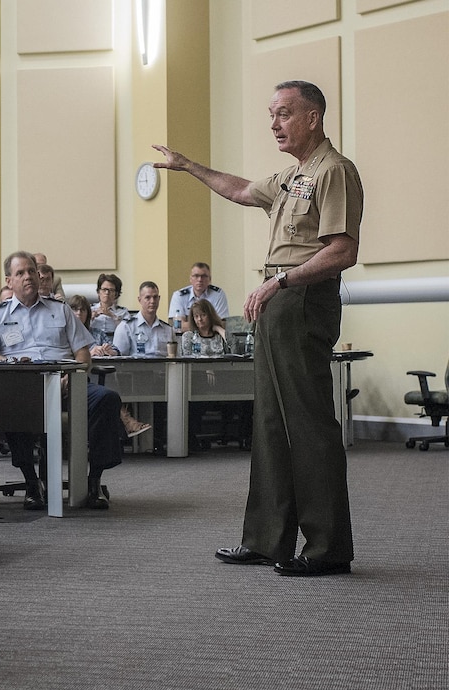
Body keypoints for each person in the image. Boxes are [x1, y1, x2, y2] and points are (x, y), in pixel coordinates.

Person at [154, 79, 362, 577]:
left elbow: (342, 250)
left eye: (284, 113)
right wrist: (189, 167)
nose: (274, 123)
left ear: (313, 117)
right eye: (271, 113)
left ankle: (328, 546)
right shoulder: (293, 177)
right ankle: (269, 539)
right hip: (274, 300)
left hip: (301, 299)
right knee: (269, 423)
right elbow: (242, 190)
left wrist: (280, 282)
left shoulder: (335, 171)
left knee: (308, 423)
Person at [0, 252, 122, 510]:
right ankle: (32, 483)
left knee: (107, 399)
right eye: (20, 273)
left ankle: (93, 481)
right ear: (9, 281)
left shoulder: (61, 310)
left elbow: (82, 352)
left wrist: (73, 374)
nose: (28, 277)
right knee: (11, 407)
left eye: (32, 271)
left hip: (67, 383)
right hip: (25, 387)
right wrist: (13, 367)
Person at [75, 290, 150, 438]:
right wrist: (89, 353)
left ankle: (125, 425)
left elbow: (116, 348)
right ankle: (127, 422)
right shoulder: (66, 333)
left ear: (87, 313)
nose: (78, 313)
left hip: (102, 374)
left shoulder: (96, 332)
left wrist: (109, 350)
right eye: (75, 309)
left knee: (110, 378)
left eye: (82, 310)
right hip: (82, 376)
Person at [112, 281, 174, 357]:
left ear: (159, 299)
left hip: (163, 368)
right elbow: (119, 358)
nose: (152, 301)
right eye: (147, 298)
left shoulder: (168, 329)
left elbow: (174, 358)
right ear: (139, 300)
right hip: (137, 368)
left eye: (155, 297)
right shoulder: (126, 327)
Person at [169, 262, 230, 331]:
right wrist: (208, 323)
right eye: (196, 276)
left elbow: (222, 324)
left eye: (204, 276)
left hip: (211, 337)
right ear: (190, 279)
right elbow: (179, 326)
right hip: (185, 338)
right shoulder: (179, 296)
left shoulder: (218, 294)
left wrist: (192, 324)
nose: (200, 279)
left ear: (209, 279)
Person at [89, 273, 131, 350]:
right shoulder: (89, 309)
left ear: (116, 294)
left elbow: (129, 331)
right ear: (99, 291)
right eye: (104, 289)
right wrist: (91, 317)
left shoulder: (123, 312)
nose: (107, 293)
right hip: (93, 345)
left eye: (111, 290)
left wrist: (112, 316)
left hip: (115, 345)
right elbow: (80, 329)